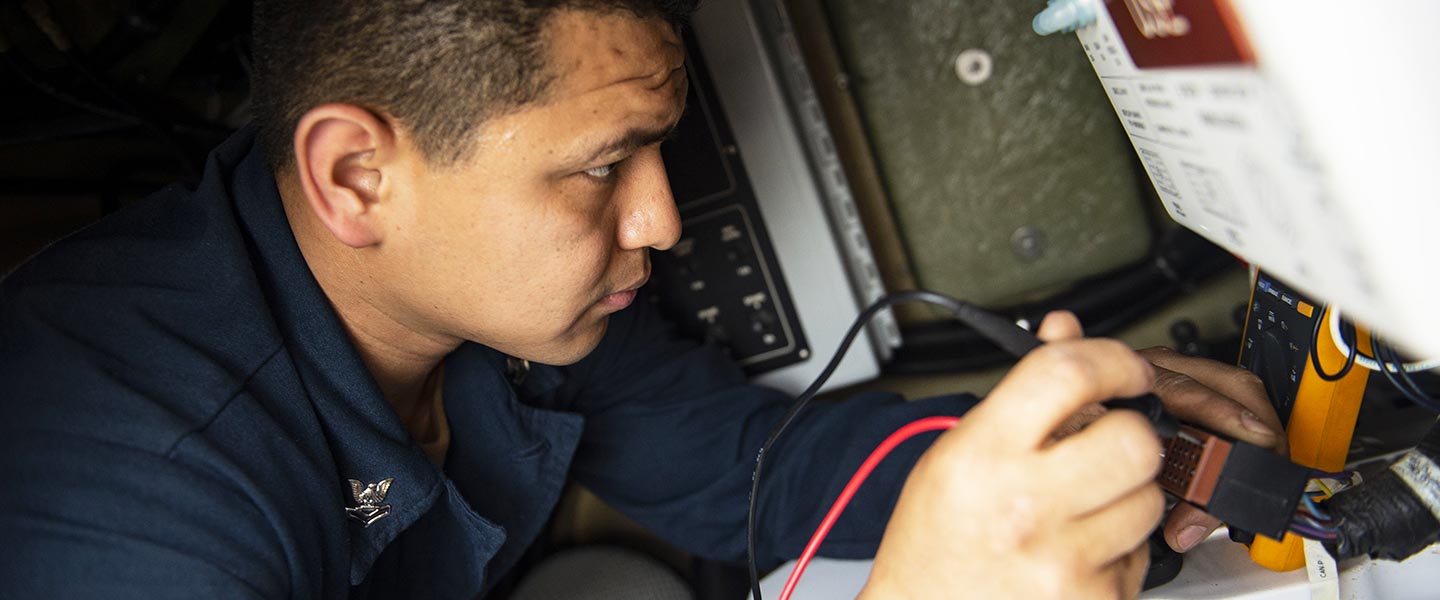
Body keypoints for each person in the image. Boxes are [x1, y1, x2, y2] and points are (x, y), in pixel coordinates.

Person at [0, 1, 1286, 598]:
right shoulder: (130, 513)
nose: (662, 221)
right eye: (604, 167)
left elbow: (749, 468)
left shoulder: (484, 308)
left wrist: (1019, 459)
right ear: (358, 175)